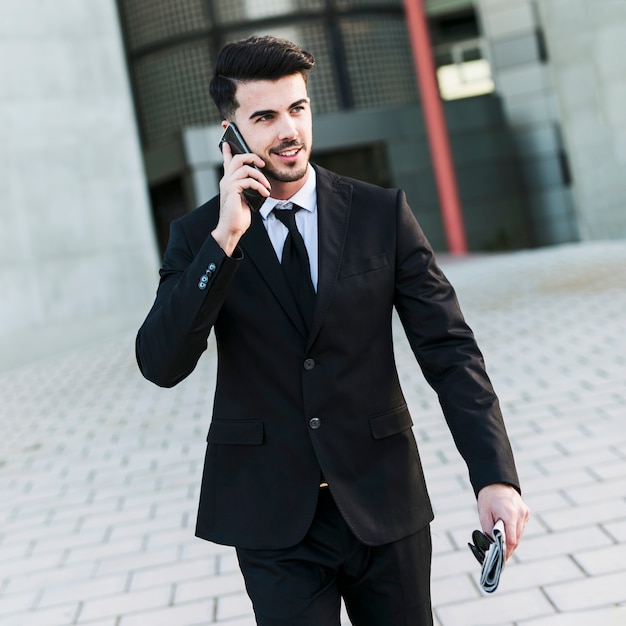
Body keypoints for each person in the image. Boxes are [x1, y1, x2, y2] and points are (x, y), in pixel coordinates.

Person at [136, 35, 529, 626]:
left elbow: (450, 351)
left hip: (383, 500)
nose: (288, 130)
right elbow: (160, 365)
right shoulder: (201, 238)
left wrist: (494, 475)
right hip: (272, 516)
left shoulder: (380, 215)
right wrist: (226, 240)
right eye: (264, 117)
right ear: (231, 133)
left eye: (297, 108)